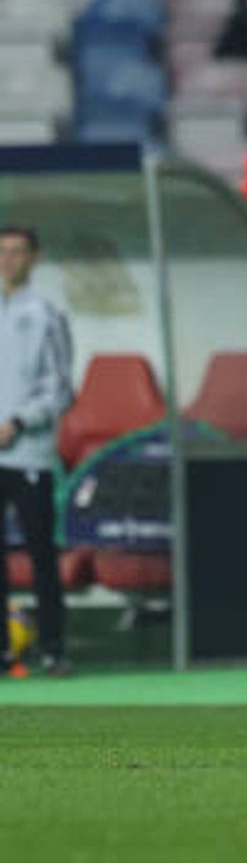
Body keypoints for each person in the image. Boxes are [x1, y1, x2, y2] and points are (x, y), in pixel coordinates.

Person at [0, 226, 73, 679]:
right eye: (3, 251)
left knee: (42, 555)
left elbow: (61, 387)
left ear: (34, 258)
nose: (9, 259)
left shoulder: (47, 315)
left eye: (18, 251)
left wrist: (20, 422)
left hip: (29, 455)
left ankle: (53, 649)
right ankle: (5, 652)